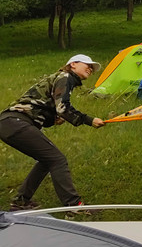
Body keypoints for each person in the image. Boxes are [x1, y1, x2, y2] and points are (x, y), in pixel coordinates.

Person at [1, 54, 105, 211]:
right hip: (15, 122)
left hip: (9, 123)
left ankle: (20, 202)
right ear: (73, 64)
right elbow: (62, 107)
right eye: (87, 64)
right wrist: (89, 120)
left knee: (46, 160)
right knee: (57, 159)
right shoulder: (66, 77)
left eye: (92, 67)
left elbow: (42, 107)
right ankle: (74, 206)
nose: (91, 68)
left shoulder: (61, 78)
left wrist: (52, 119)